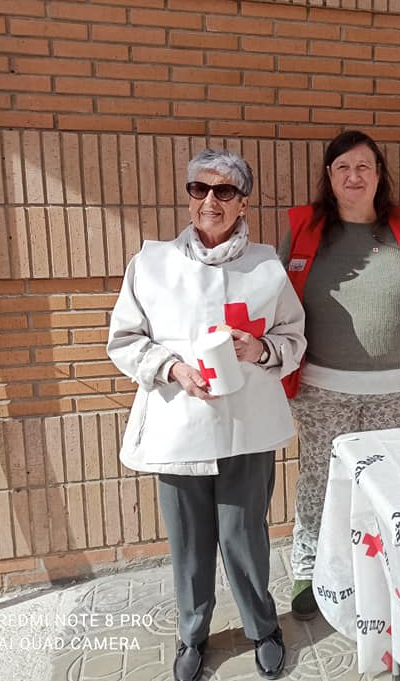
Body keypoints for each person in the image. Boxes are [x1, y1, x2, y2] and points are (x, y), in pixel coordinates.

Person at [107, 149, 305, 681]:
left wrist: (259, 349)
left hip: (248, 425)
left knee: (246, 536)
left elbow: (293, 336)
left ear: (244, 201)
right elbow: (124, 339)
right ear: (189, 195)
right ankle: (192, 633)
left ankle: (262, 626)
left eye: (224, 191)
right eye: (200, 189)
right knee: (190, 542)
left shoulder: (266, 265)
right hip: (180, 425)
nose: (210, 201)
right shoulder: (151, 262)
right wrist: (171, 368)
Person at [279, 130, 400, 621]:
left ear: (379, 175)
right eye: (343, 167)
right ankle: (309, 567)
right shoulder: (305, 228)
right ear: (329, 176)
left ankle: (381, 566)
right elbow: (278, 298)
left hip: (394, 387)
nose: (354, 176)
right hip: (322, 386)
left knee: (385, 482)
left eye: (364, 166)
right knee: (319, 479)